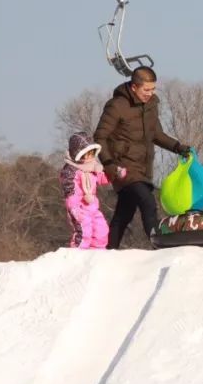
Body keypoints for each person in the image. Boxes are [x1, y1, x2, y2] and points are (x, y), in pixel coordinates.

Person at [93, 67, 191, 249]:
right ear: (133, 87)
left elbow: (157, 134)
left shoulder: (151, 105)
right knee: (147, 201)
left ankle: (109, 250)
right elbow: (100, 137)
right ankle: (160, 245)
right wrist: (109, 164)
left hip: (144, 167)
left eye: (153, 89)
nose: (150, 93)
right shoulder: (117, 106)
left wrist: (178, 147)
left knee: (124, 213)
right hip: (123, 168)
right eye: (146, 89)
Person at [60, 131, 111, 249]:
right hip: (79, 208)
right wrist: (73, 207)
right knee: (84, 232)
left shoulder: (92, 167)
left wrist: (114, 174)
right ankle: (78, 256)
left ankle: (96, 255)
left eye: (92, 153)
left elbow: (101, 177)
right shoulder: (70, 171)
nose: (90, 157)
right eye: (87, 154)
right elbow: (69, 189)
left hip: (93, 207)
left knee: (101, 230)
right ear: (78, 154)